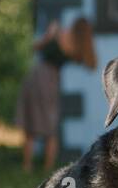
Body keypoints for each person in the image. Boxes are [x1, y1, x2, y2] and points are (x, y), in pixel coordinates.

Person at [16, 17, 97, 173]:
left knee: (30, 124)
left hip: (38, 76)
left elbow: (36, 47)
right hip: (53, 80)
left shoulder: (59, 32)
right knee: (50, 127)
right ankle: (48, 167)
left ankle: (27, 165)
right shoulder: (78, 47)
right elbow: (90, 64)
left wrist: (49, 34)